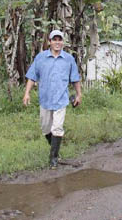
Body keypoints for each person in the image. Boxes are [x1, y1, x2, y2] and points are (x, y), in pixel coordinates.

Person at [22, 30, 82, 168]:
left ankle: (53, 159)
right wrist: (27, 93)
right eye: (54, 40)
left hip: (61, 99)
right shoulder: (41, 58)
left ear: (63, 42)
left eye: (59, 40)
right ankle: (55, 150)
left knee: (57, 128)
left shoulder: (68, 59)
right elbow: (32, 76)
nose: (57, 42)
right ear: (49, 42)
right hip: (45, 99)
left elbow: (75, 79)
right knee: (45, 128)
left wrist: (79, 94)